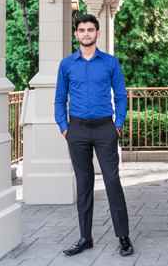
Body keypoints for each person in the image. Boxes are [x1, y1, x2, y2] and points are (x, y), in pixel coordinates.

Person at [54, 14, 134, 257]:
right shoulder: (67, 64)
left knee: (112, 182)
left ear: (97, 34)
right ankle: (85, 237)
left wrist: (117, 124)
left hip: (104, 129)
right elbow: (59, 98)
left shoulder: (110, 63)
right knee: (84, 184)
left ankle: (123, 237)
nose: (86, 34)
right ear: (76, 34)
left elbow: (121, 95)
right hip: (76, 130)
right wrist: (64, 127)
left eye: (90, 30)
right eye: (81, 30)